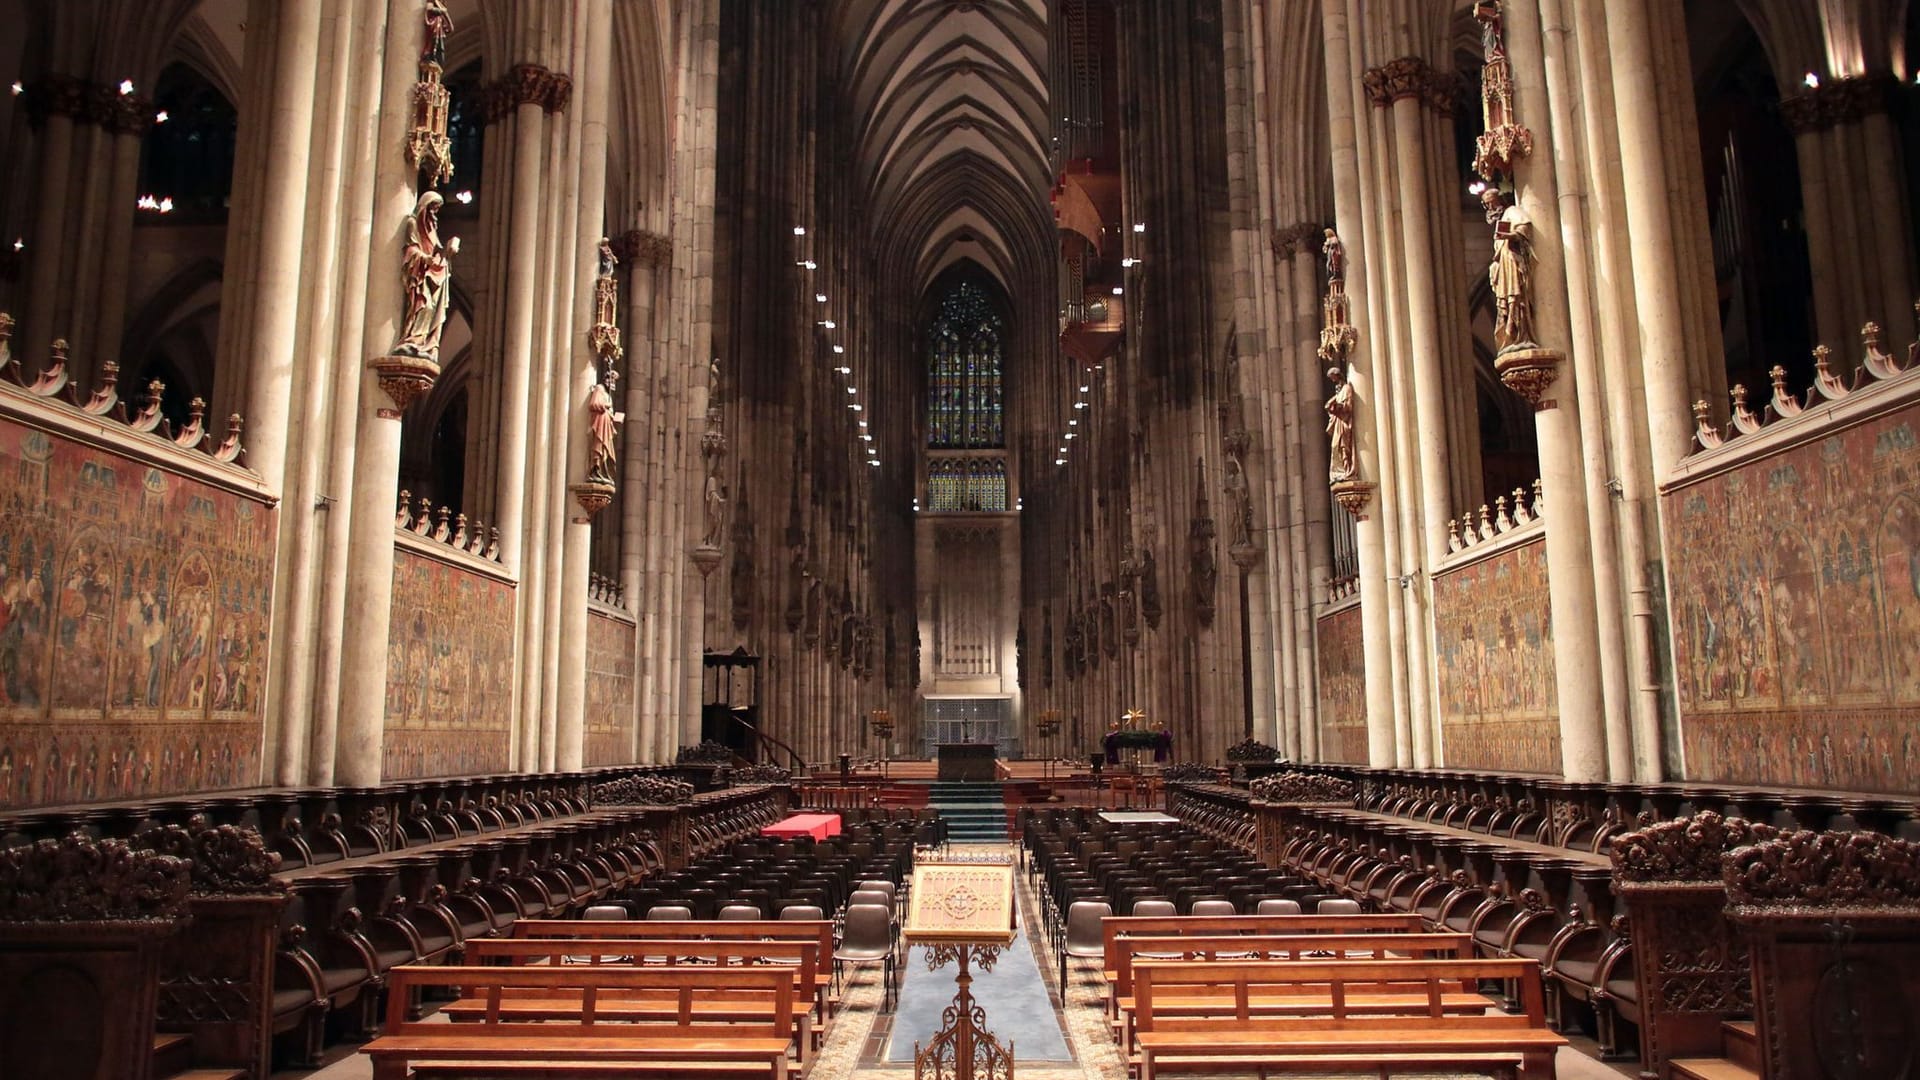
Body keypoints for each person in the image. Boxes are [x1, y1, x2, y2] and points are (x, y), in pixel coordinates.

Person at [394, 191, 457, 360]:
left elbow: (437, 250)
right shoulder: (412, 223)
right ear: (425, 207)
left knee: (434, 309)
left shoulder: (431, 229)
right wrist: (426, 259)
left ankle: (426, 343)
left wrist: (447, 253)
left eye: (436, 210)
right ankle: (414, 339)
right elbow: (411, 249)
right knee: (425, 306)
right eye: (433, 209)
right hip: (421, 276)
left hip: (432, 276)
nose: (434, 214)